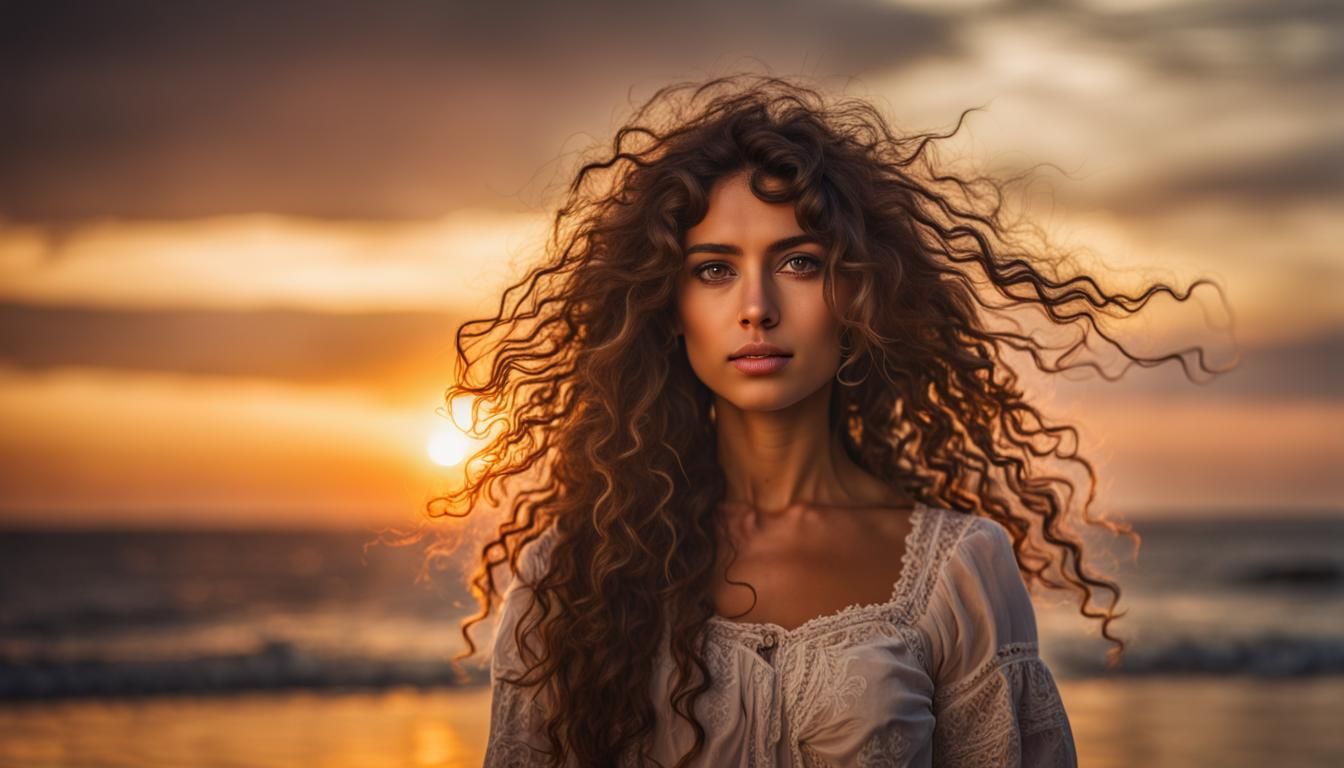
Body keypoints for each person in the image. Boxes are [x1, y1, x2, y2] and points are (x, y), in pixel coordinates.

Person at [431, 74, 1223, 767]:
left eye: (799, 263)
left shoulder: (960, 570)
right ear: (667, 308)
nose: (756, 309)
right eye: (714, 269)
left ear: (857, 296)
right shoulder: (572, 573)